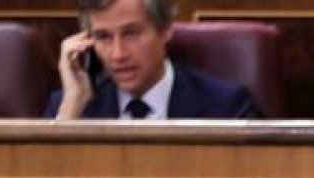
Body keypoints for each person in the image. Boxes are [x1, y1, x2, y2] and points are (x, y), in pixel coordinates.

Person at [46, 0, 260, 120]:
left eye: (131, 34)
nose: (118, 54)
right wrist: (71, 109)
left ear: (165, 30)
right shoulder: (70, 107)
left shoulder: (227, 107)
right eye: (103, 37)